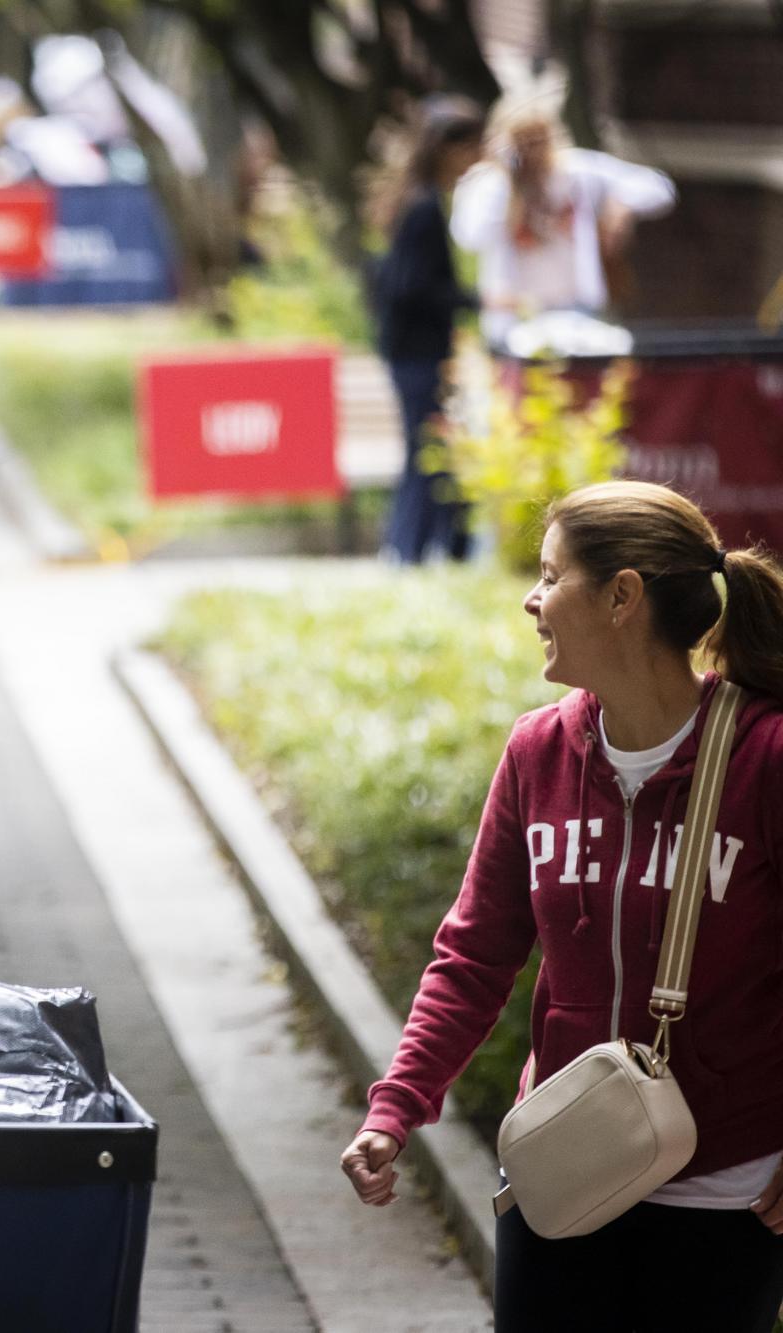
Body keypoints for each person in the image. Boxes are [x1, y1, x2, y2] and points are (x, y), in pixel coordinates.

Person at [340, 480, 783, 1329]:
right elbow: (473, 956)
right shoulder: (537, 751)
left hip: (728, 1191)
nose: (530, 598)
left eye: (551, 575)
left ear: (623, 597)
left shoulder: (764, 757)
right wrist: (396, 1107)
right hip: (564, 1168)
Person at [450, 106, 676, 346]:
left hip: (576, 310)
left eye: (537, 141)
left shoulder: (576, 171)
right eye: (521, 143)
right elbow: (470, 236)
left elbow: (659, 188)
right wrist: (507, 181)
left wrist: (621, 205)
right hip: (515, 316)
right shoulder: (491, 185)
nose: (531, 152)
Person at [373, 96, 486, 565]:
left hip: (412, 349)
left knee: (429, 450)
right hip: (416, 352)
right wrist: (474, 300)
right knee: (426, 452)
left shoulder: (419, 201)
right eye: (471, 149)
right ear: (448, 149)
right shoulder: (423, 208)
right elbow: (413, 287)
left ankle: (419, 548)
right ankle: (407, 552)